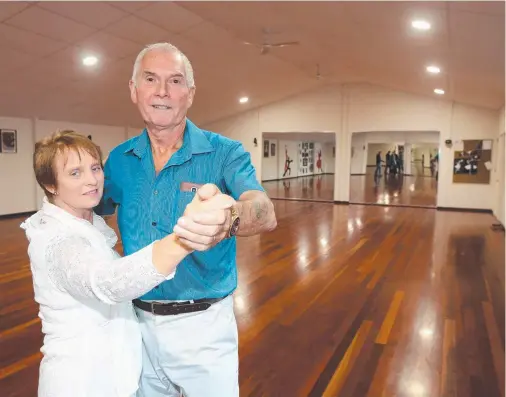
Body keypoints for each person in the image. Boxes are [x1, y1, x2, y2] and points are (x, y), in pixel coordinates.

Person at [95, 42, 277, 397]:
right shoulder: (120, 160)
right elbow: (92, 208)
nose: (162, 91)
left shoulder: (224, 152)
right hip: (135, 326)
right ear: (134, 90)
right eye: (150, 79)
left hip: (203, 329)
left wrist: (229, 221)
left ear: (190, 94)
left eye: (175, 81)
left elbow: (264, 210)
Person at [20, 130, 234, 397]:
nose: (91, 180)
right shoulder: (57, 240)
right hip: (82, 382)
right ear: (50, 185)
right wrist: (186, 237)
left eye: (95, 168)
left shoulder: (89, 223)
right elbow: (108, 282)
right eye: (75, 173)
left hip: (116, 375)